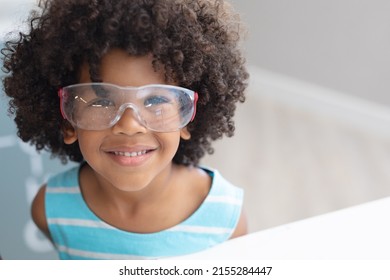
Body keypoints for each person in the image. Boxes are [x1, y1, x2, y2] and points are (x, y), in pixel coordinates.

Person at [1, 0, 249, 260]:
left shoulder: (225, 217)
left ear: (188, 117)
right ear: (67, 120)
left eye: (155, 100)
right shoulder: (51, 209)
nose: (129, 125)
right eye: (102, 101)